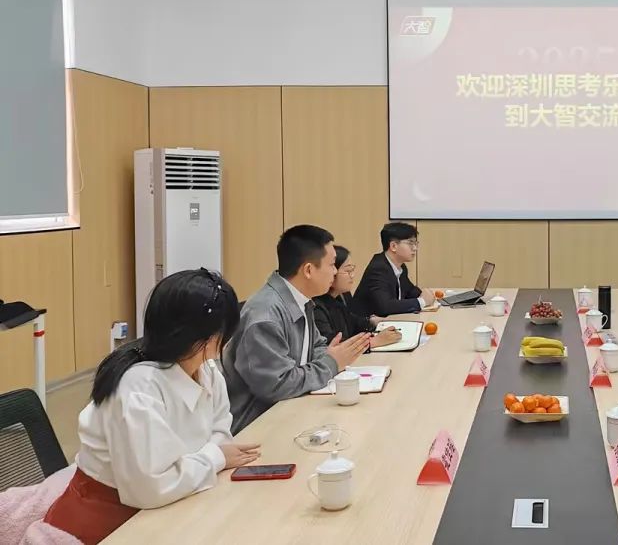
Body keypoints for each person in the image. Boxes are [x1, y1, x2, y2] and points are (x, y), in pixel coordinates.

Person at [43, 270, 261, 544]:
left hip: (175, 502)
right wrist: (214, 458)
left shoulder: (208, 372)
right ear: (210, 336)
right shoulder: (137, 387)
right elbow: (151, 488)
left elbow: (220, 434)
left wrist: (204, 461)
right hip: (109, 521)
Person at [223, 225, 371, 433]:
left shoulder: (301, 300)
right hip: (258, 426)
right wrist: (332, 362)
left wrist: (333, 356)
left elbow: (317, 347)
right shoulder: (265, 316)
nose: (335, 271)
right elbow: (277, 386)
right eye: (331, 265)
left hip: (291, 410)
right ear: (308, 270)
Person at [313, 245, 402, 348]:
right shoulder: (316, 306)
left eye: (352, 270)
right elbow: (330, 346)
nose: (352, 275)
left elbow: (353, 322)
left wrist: (373, 322)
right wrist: (373, 342)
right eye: (348, 271)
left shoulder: (343, 295)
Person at [350, 222, 435, 320]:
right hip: (368, 325)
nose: (415, 248)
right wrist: (422, 301)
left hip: (388, 321)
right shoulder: (378, 268)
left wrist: (426, 295)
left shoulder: (400, 266)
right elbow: (385, 306)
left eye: (416, 243)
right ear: (393, 246)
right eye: (410, 243)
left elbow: (409, 290)